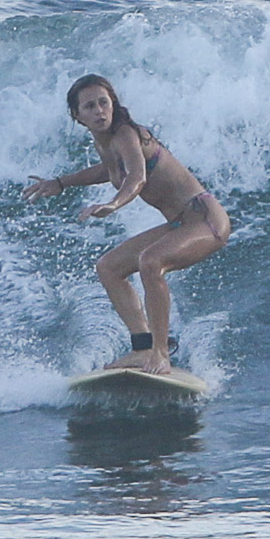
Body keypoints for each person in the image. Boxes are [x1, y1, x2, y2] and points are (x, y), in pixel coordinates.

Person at [24, 74, 230, 375]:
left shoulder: (125, 134)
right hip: (180, 223)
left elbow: (136, 177)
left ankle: (160, 355)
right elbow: (107, 170)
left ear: (113, 103)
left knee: (151, 261)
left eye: (104, 103)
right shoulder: (105, 143)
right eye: (90, 106)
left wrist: (113, 204)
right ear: (77, 115)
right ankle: (143, 347)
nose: (99, 111)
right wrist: (60, 183)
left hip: (205, 219)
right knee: (109, 267)